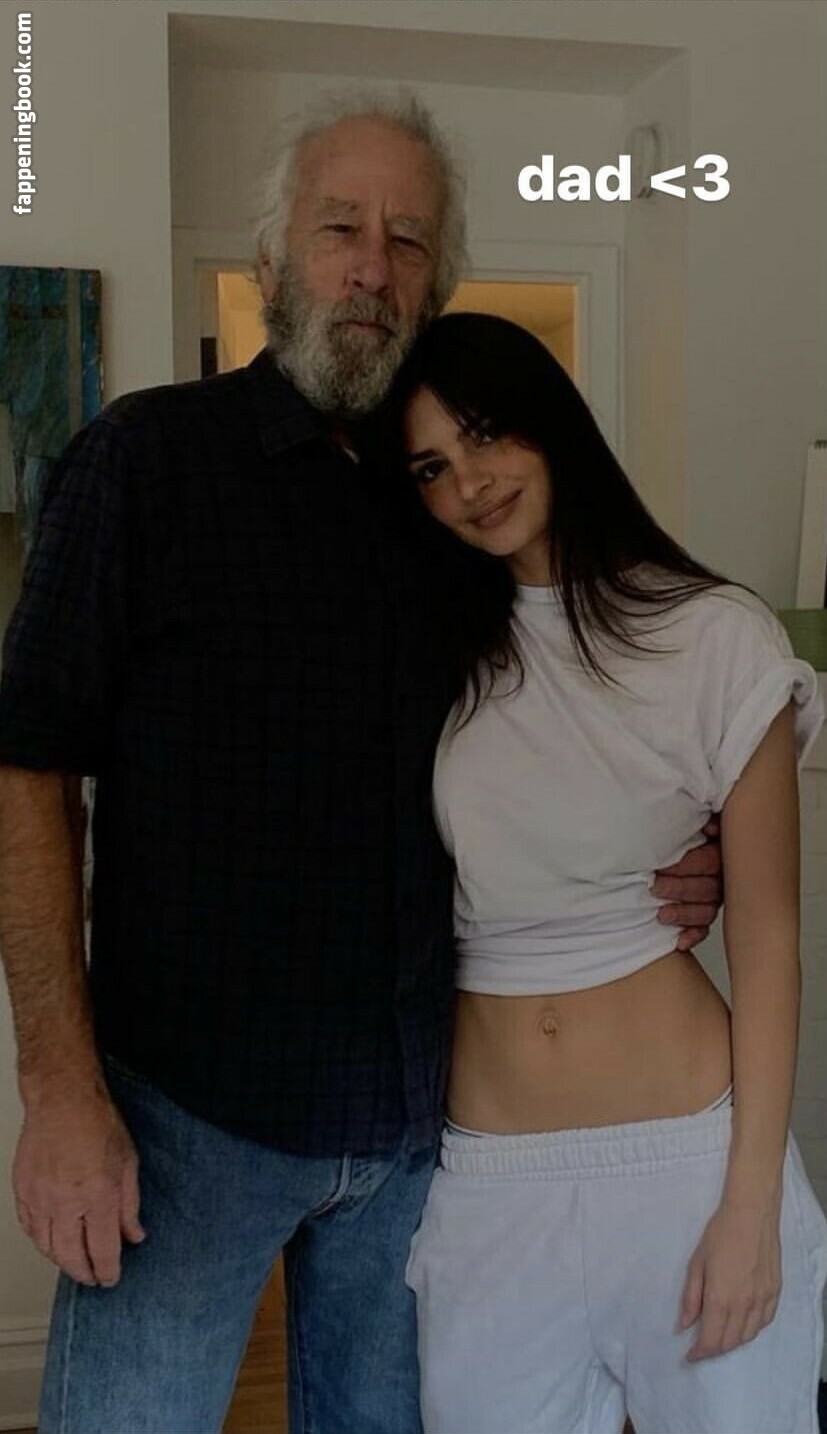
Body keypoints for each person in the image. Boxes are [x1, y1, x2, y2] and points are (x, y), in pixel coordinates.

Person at [0, 95, 721, 1434]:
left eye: (407, 239)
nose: (371, 267)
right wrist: (57, 1090)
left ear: (435, 285)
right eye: (339, 228)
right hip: (183, 1124)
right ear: (273, 256)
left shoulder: (457, 503)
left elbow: (583, 713)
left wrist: (689, 838)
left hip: (420, 1132)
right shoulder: (144, 462)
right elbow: (27, 768)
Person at [388, 310, 827, 1434]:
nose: (469, 484)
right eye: (431, 468)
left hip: (685, 1163)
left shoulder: (713, 634)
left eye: (485, 434)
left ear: (550, 421)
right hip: (490, 1182)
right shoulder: (428, 655)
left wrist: (747, 1208)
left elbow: (768, 937)